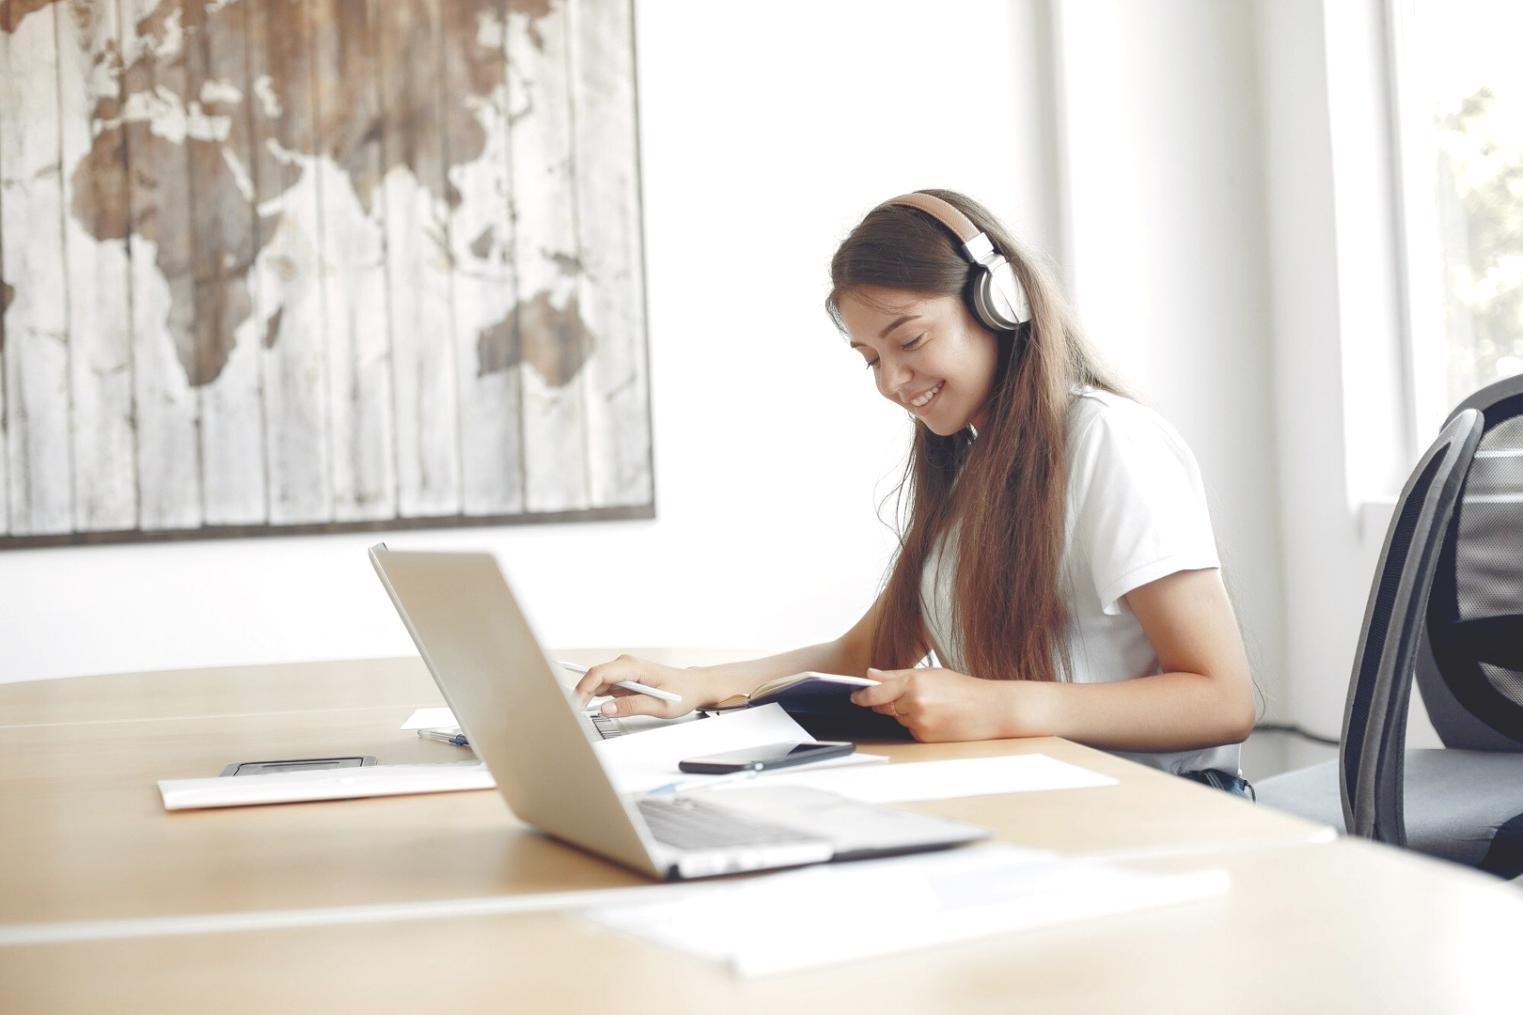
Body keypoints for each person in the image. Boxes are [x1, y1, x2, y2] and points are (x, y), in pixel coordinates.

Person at [575, 189, 1256, 790]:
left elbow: (1222, 698)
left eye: (909, 340)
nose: (891, 382)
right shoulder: (968, 467)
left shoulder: (1108, 442)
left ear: (999, 303)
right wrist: (692, 686)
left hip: (1155, 809)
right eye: (870, 358)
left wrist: (1000, 706)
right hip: (1041, 797)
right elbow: (863, 654)